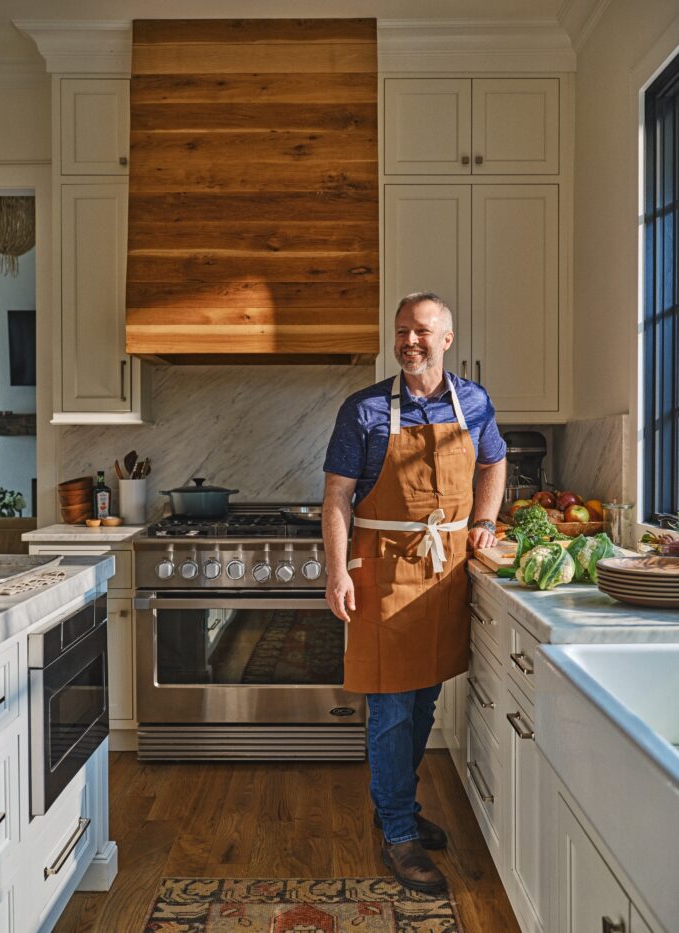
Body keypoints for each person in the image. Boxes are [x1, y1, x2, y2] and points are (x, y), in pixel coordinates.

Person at [322, 291, 506, 895]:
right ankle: (399, 829)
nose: (410, 341)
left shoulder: (473, 401)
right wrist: (337, 571)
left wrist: (482, 522)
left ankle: (393, 802)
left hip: (444, 570)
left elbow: (494, 462)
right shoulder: (365, 409)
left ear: (447, 339)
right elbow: (338, 496)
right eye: (402, 330)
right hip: (381, 568)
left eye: (422, 331)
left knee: (424, 699)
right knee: (392, 707)